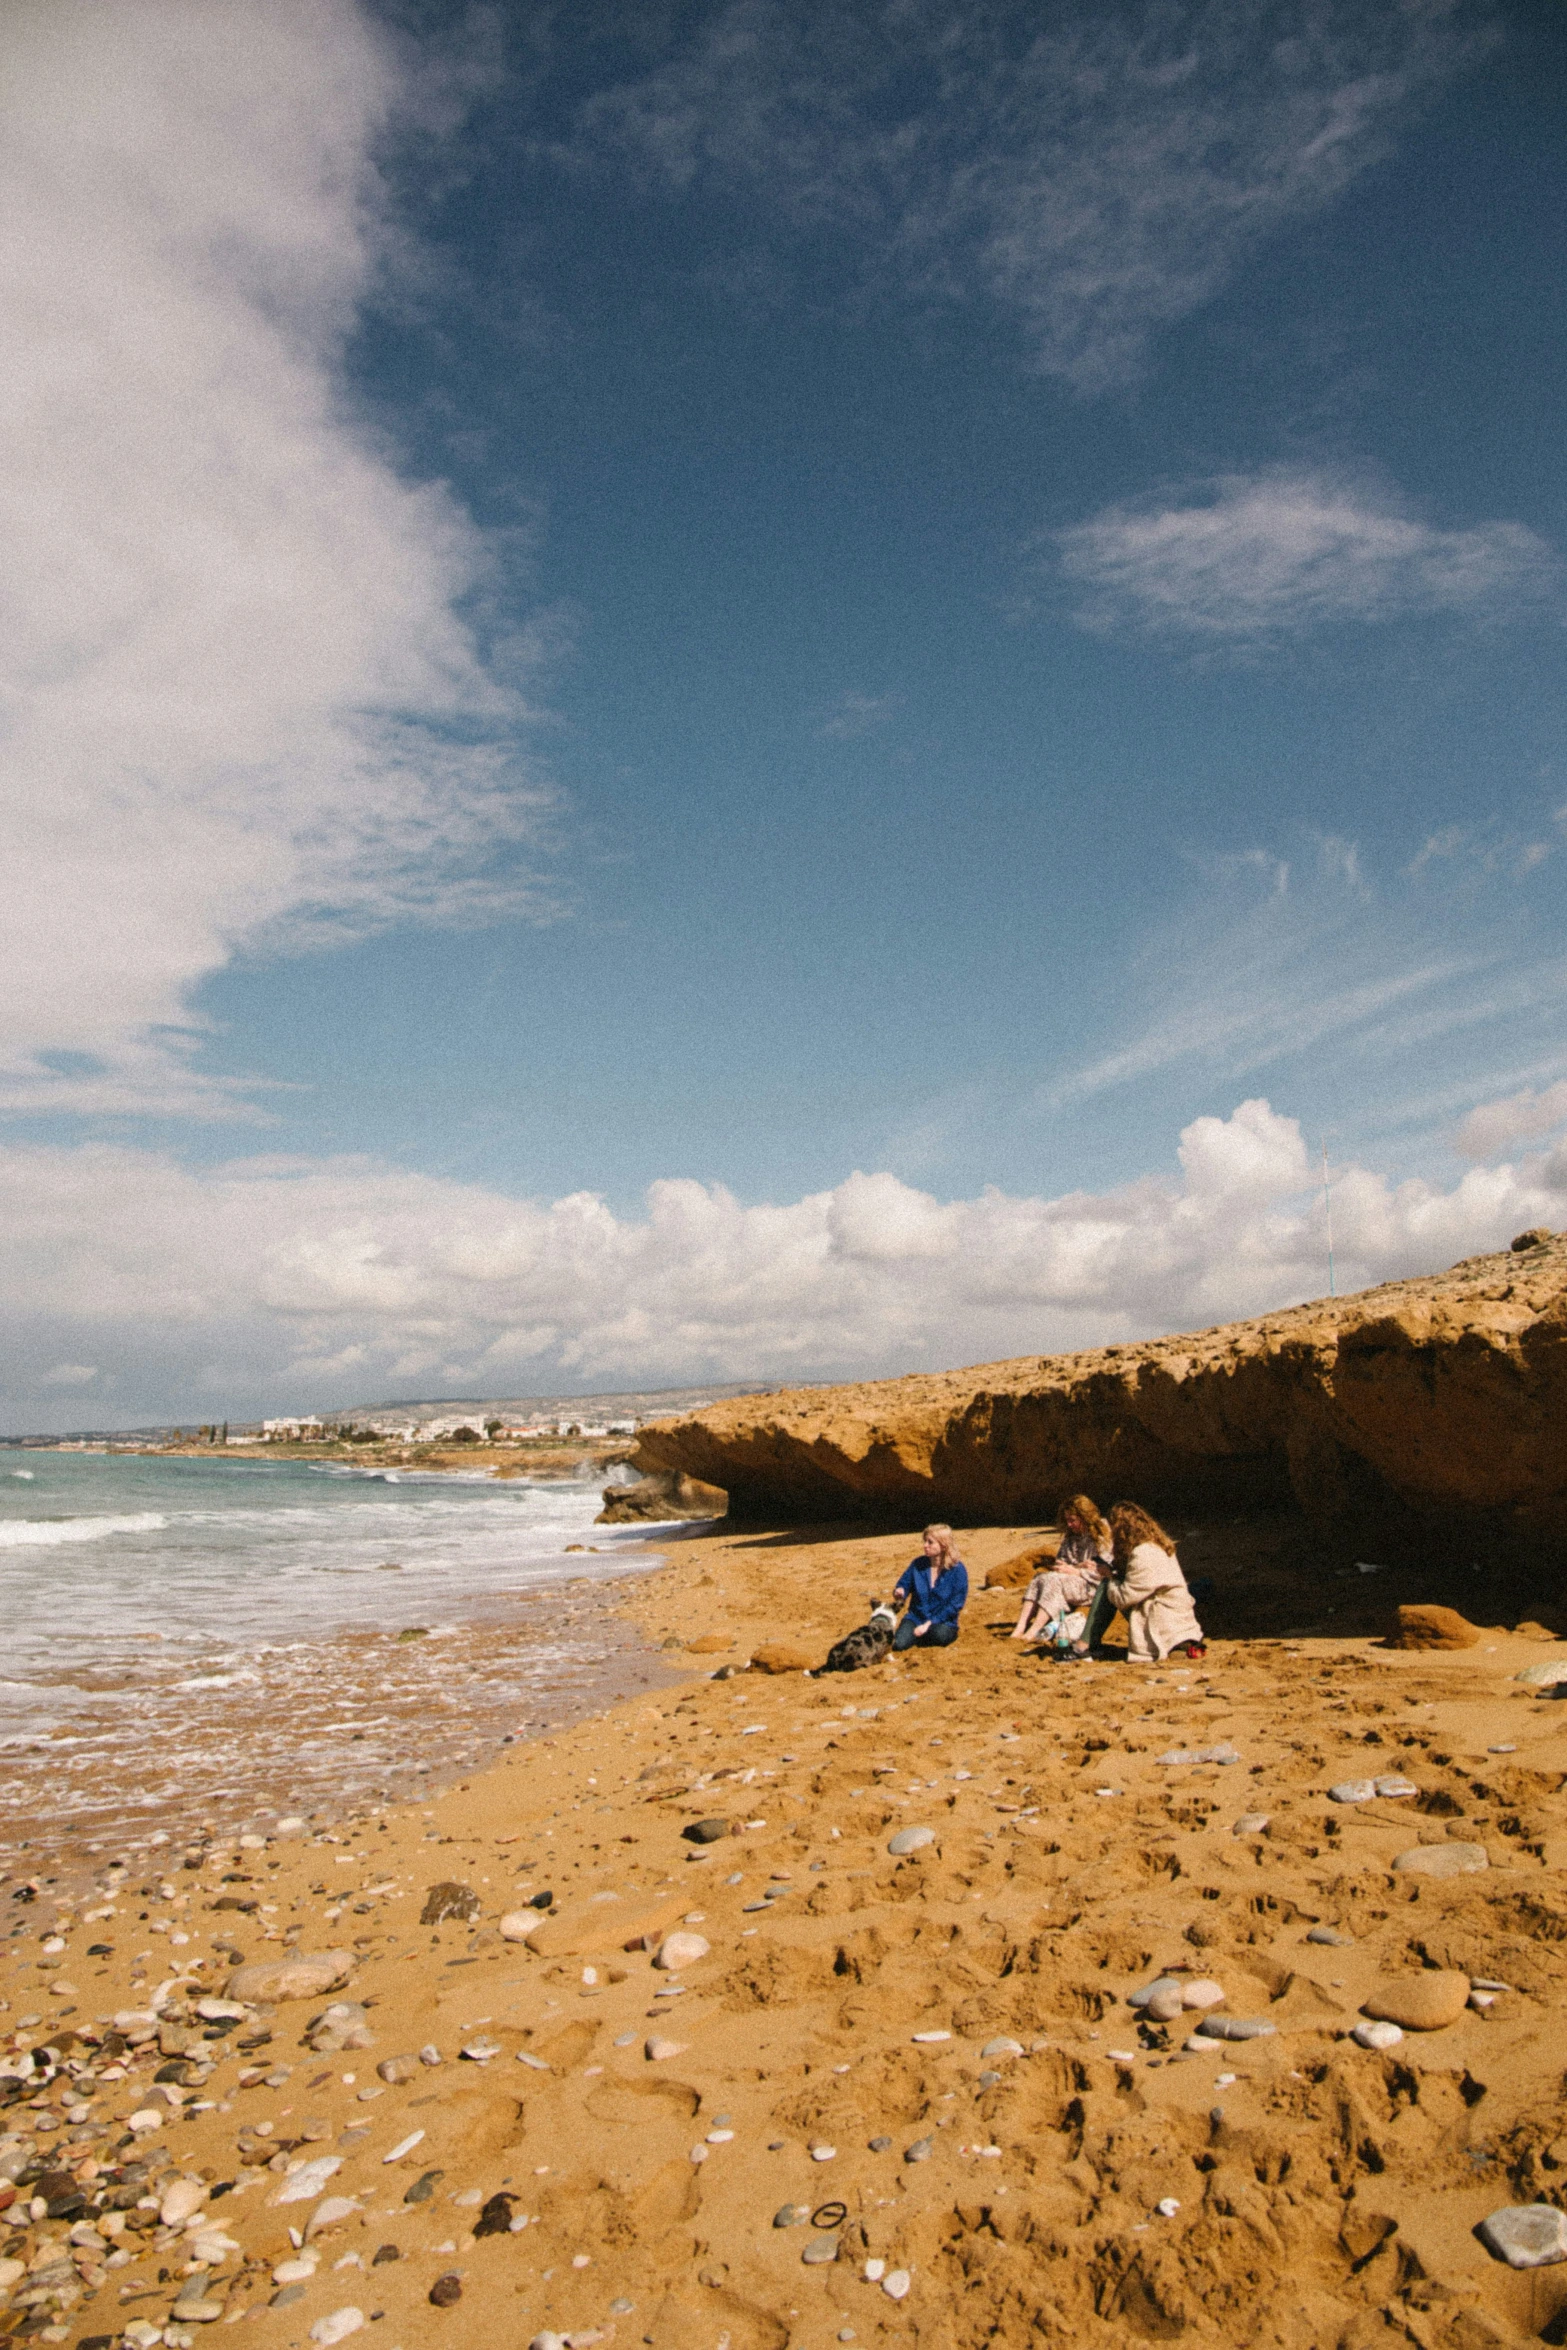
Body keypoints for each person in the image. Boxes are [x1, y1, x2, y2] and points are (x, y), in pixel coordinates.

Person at [1104, 1503, 1205, 1662]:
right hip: (1179, 1616)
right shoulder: (1159, 1544)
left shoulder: (1142, 1553)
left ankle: (1086, 1643)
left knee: (1107, 1587)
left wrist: (1110, 1577)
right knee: (1111, 1585)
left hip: (1163, 1619)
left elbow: (1124, 1598)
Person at [1010, 1495, 1111, 1649]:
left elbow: (1104, 1570)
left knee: (1053, 1581)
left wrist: (1077, 1571)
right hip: (1072, 1578)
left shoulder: (1102, 1535)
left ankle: (1035, 1629)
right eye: (1067, 1521)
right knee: (1040, 1578)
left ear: (1084, 1517)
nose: (1069, 1524)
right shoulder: (1071, 1537)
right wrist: (1067, 1567)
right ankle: (1020, 1626)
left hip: (1092, 1585)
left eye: (1073, 1520)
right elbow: (1063, 1560)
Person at [892, 1524, 968, 1653]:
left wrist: (928, 1624)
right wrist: (900, 1592)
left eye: (930, 1542)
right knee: (899, 1644)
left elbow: (955, 1605)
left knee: (939, 1635)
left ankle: (924, 1635)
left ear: (943, 1545)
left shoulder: (958, 1570)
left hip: (942, 1621)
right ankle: (917, 1635)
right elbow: (903, 1584)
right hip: (916, 1618)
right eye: (925, 1541)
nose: (925, 1545)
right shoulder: (918, 1564)